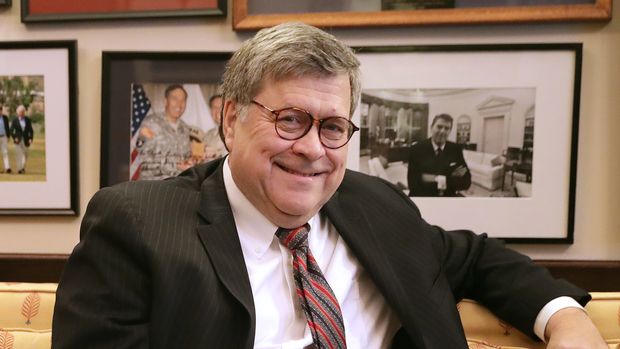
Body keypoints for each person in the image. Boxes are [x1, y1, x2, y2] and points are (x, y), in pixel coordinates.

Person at [52, 23, 606, 349]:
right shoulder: (137, 225)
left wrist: (566, 318)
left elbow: (477, 257)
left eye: (333, 126)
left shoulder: (376, 207)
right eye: (289, 119)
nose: (313, 149)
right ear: (230, 122)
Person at [135, 84, 192, 180]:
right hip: (154, 185)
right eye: (175, 99)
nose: (179, 104)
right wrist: (175, 166)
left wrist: (190, 163)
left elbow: (185, 157)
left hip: (177, 185)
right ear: (165, 101)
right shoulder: (151, 123)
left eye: (183, 100)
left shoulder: (185, 128)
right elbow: (144, 157)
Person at [407, 113, 471, 197]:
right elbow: (413, 183)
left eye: (447, 128)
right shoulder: (416, 149)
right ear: (431, 128)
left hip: (447, 198)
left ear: (450, 131)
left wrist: (428, 178)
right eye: (439, 127)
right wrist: (450, 177)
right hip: (424, 197)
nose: (442, 131)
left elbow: (466, 182)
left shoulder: (455, 149)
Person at [9, 104, 34, 174]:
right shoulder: (15, 120)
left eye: (23, 111)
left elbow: (31, 130)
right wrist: (14, 137)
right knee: (18, 155)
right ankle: (20, 169)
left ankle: (22, 167)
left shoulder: (28, 120)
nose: (22, 113)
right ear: (18, 112)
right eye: (21, 112)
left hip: (26, 140)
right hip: (18, 140)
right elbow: (11, 130)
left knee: (25, 155)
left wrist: (30, 138)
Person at [202, 94, 228, 160]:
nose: (218, 111)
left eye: (221, 107)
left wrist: (216, 154)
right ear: (211, 112)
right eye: (214, 107)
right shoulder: (208, 135)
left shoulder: (235, 132)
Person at [0, 103, 11, 174]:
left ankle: (7, 168)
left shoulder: (5, 118)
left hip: (4, 137)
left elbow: (7, 128)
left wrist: (8, 136)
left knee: (5, 152)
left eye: (0, 110)